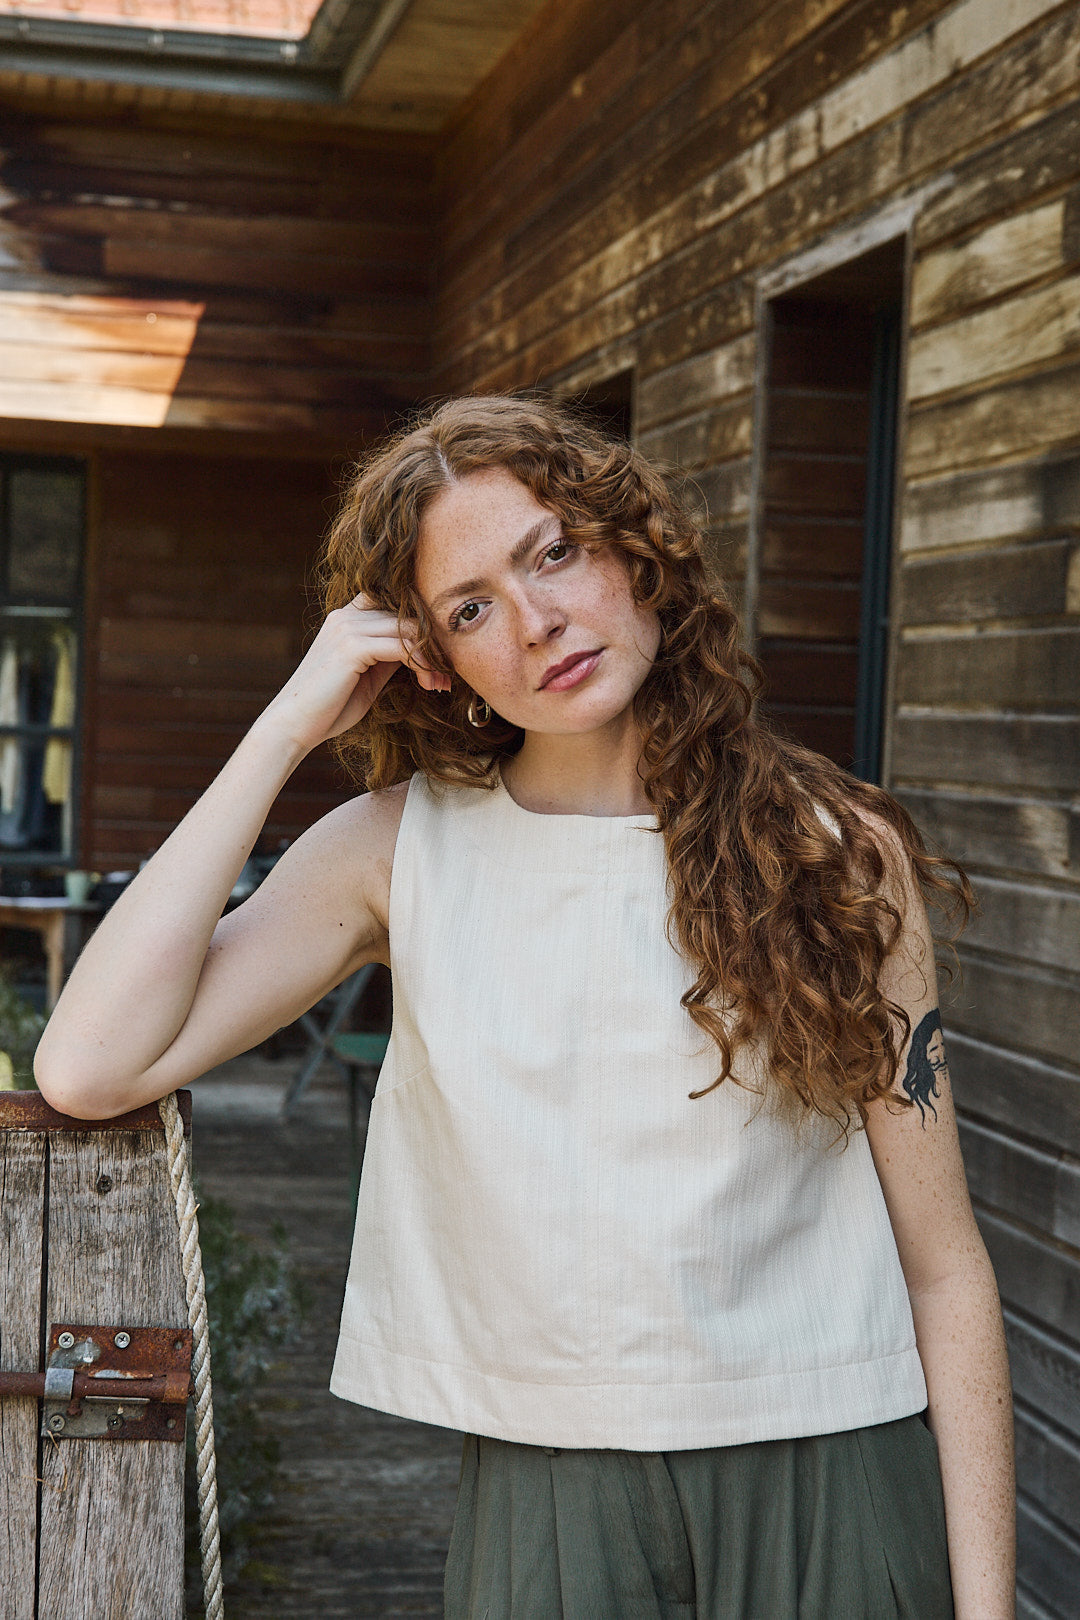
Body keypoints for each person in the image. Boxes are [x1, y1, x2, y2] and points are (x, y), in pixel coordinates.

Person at [35, 394, 1015, 1620]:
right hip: (549, 1485)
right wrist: (288, 723)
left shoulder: (830, 852)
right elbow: (88, 1064)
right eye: (472, 607)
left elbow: (945, 1271)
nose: (539, 620)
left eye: (554, 552)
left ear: (633, 549)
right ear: (434, 663)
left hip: (831, 1465)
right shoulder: (397, 854)